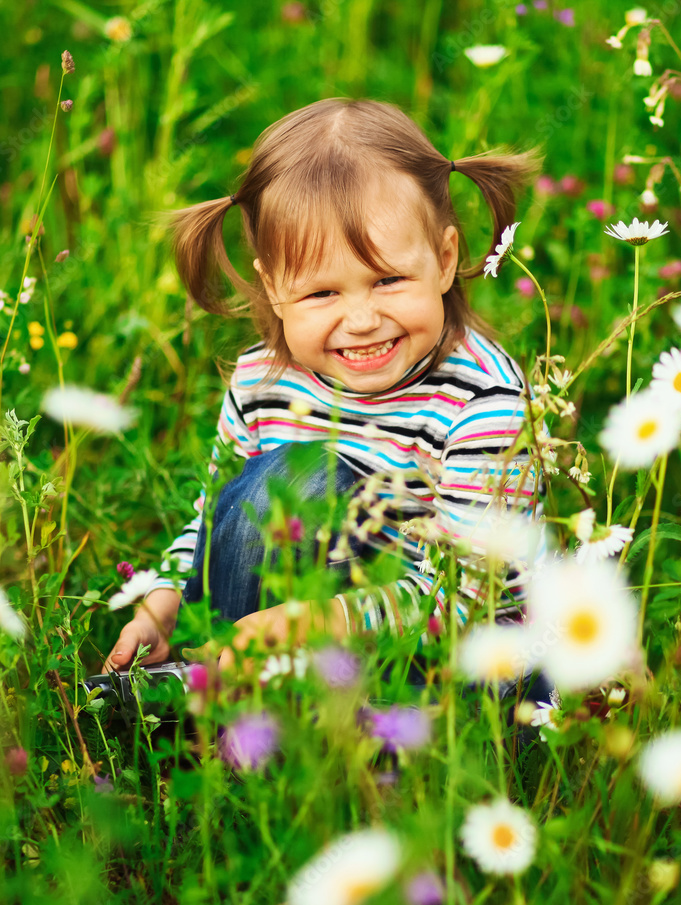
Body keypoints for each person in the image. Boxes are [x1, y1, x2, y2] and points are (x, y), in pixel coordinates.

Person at [105, 97, 545, 682]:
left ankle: (236, 710)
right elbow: (218, 519)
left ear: (444, 259)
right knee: (264, 494)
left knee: (295, 481)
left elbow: (472, 598)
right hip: (289, 629)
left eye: (388, 280)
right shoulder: (263, 381)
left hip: (463, 664)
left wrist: (320, 621)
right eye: (321, 294)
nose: (361, 319)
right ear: (273, 288)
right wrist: (162, 601)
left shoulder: (482, 402)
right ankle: (226, 702)